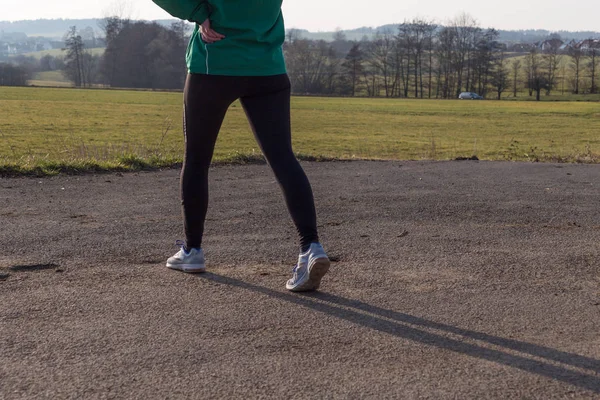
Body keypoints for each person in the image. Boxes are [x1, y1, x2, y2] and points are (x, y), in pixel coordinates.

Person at [151, 0, 330, 291]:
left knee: (197, 159)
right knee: (283, 158)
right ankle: (311, 246)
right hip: (267, 67)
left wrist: (198, 14)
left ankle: (192, 251)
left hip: (214, 64)